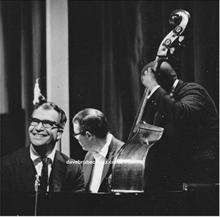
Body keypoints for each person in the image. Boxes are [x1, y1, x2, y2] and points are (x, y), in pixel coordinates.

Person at [140, 60, 219, 191]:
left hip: (198, 172)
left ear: (158, 80)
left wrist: (154, 87)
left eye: (147, 85)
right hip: (179, 169)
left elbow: (182, 114)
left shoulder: (193, 91)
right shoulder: (166, 101)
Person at [1, 101, 85, 193]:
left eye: (47, 123)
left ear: (59, 134)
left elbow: (76, 206)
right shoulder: (6, 166)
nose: (38, 128)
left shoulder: (73, 170)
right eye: (35, 122)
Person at [72, 108, 124, 193]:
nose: (75, 138)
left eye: (76, 134)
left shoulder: (124, 155)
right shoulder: (89, 155)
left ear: (89, 135)